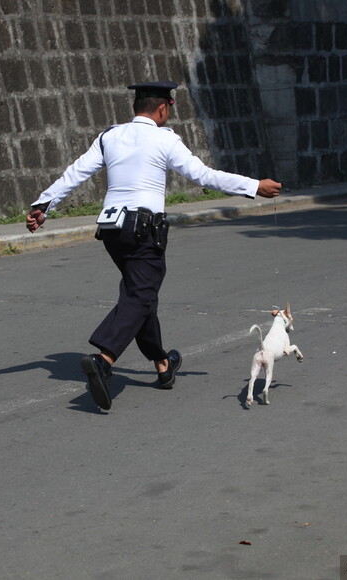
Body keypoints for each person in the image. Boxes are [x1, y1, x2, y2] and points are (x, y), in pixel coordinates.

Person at [26, 81, 281, 411]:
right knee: (141, 294)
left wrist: (44, 204)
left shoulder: (109, 136)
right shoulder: (165, 138)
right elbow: (203, 175)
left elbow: (76, 172)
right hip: (143, 230)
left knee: (140, 293)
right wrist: (253, 186)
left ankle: (162, 363)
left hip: (111, 231)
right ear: (163, 108)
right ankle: (103, 359)